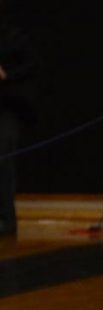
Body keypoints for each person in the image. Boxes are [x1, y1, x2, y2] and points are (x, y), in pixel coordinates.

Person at [0, 4, 35, 237]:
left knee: (4, 159)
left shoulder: (14, 37)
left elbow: (31, 66)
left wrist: (6, 75)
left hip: (8, 106)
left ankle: (6, 218)